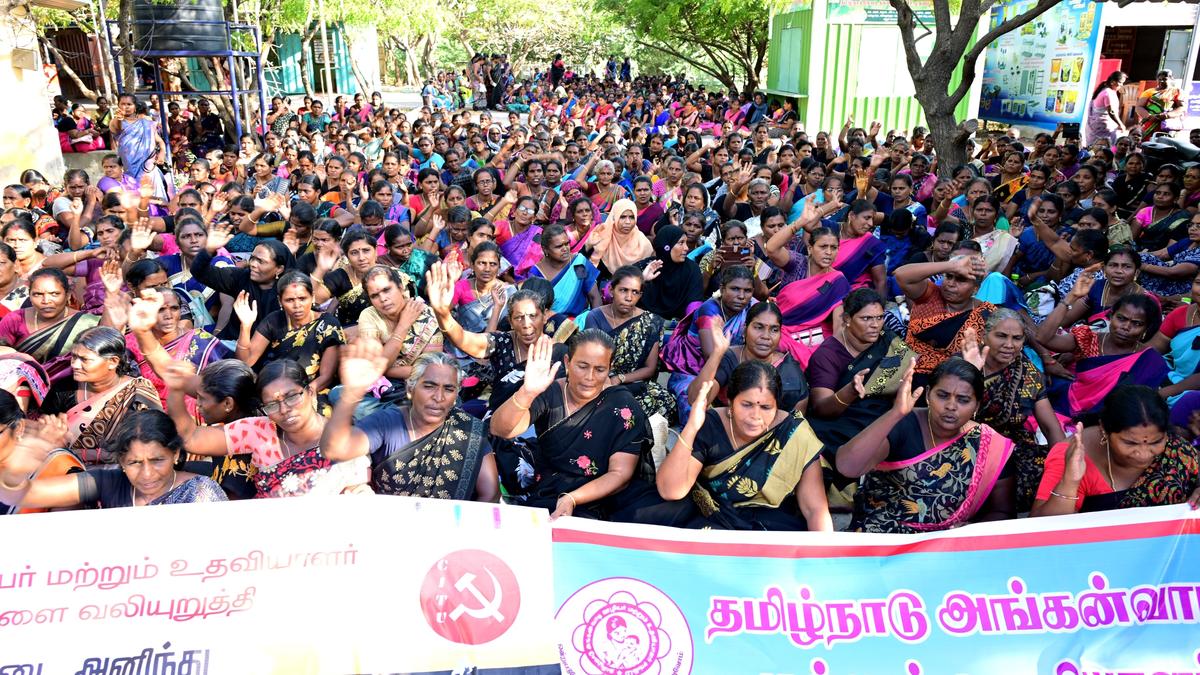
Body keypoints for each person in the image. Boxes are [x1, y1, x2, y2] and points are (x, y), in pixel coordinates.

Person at [490, 331, 683, 524]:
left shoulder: (623, 406)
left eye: (600, 369)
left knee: (676, 511)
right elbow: (501, 430)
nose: (590, 377)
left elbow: (620, 473)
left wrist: (574, 498)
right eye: (582, 366)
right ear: (567, 362)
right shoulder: (549, 392)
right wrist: (527, 392)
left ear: (610, 368)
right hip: (557, 488)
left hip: (610, 491)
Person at [837, 357, 1017, 532]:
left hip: (948, 546)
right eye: (943, 395)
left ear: (977, 405)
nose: (951, 406)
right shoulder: (903, 424)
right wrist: (894, 414)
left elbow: (1003, 511)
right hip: (883, 537)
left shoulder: (989, 444)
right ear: (929, 394)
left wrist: (967, 532)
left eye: (963, 400)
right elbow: (847, 467)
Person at [658, 360, 831, 530]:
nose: (755, 416)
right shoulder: (711, 423)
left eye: (765, 407)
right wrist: (692, 427)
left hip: (769, 524)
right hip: (714, 516)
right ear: (731, 402)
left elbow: (815, 509)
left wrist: (823, 557)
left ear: (777, 407)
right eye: (747, 405)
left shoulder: (793, 433)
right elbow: (671, 490)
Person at [166, 359, 369, 498]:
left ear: (310, 393)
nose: (284, 410)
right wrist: (175, 390)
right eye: (272, 404)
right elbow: (191, 438)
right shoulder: (260, 431)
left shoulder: (340, 438)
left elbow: (358, 492)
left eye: (292, 397)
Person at [321, 345, 499, 501]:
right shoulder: (388, 422)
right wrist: (352, 393)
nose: (439, 397)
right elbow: (335, 449)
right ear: (410, 389)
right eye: (429, 386)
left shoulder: (468, 431)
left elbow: (490, 493)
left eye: (449, 389)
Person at [0, 410, 226, 509]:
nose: (147, 474)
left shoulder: (201, 492)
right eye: (134, 463)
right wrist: (18, 469)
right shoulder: (107, 482)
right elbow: (17, 496)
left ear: (175, 454)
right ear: (121, 461)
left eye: (157, 460)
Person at [1032, 385, 1200, 515]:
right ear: (1105, 429)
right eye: (1130, 443)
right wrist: (1069, 482)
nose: (1143, 454)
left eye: (1155, 442)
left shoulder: (1177, 448)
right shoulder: (1073, 455)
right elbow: (1043, 532)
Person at [960, 314, 1065, 511]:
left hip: (1010, 447)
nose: (1009, 344)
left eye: (1017, 338)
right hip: (964, 441)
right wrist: (972, 373)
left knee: (1045, 470)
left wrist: (1064, 465)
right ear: (984, 335)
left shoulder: (1029, 373)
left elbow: (1051, 428)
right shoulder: (963, 365)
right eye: (1001, 336)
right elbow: (948, 417)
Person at [38, 326, 162, 465]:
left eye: (84, 359)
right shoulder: (63, 389)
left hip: (123, 473)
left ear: (113, 362)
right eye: (74, 357)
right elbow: (43, 430)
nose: (75, 365)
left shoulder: (138, 393)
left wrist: (69, 450)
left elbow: (152, 446)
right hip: (65, 467)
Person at [1037, 290, 1167, 419]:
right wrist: (1070, 298)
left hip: (1108, 421)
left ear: (1146, 328)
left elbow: (1137, 405)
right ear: (1111, 316)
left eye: (1137, 323)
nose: (1126, 327)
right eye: (1121, 319)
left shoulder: (1150, 361)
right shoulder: (1089, 339)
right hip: (1066, 406)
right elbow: (1043, 338)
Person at [574, 266, 674, 419]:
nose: (629, 297)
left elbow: (650, 368)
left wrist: (620, 379)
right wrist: (606, 380)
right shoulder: (595, 317)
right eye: (623, 290)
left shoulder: (651, 322)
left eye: (635, 292)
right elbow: (590, 360)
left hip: (632, 385)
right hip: (597, 382)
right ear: (611, 290)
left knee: (664, 401)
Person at [662, 266, 756, 418]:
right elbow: (710, 355)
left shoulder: (751, 308)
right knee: (697, 408)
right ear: (722, 288)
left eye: (747, 291)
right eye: (735, 289)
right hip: (693, 373)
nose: (741, 296)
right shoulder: (709, 311)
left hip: (729, 370)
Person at [234, 271, 345, 399]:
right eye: (289, 300)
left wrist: (299, 397)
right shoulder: (273, 321)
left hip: (311, 391)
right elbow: (245, 361)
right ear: (280, 301)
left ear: (313, 297)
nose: (297, 306)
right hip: (272, 389)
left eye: (302, 299)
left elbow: (326, 377)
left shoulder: (328, 325)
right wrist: (245, 327)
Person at [687, 302, 809, 412]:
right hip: (724, 429)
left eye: (774, 330)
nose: (766, 336)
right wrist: (717, 353)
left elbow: (794, 423)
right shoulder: (730, 358)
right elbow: (695, 400)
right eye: (758, 327)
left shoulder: (789, 371)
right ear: (745, 330)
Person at [125, 287, 229, 414]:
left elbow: (223, 384)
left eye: (174, 308)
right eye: (160, 310)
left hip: (199, 417)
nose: (168, 316)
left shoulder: (200, 340)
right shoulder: (132, 343)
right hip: (149, 418)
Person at [894, 253, 995, 380]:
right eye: (949, 276)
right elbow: (901, 275)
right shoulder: (930, 295)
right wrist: (952, 266)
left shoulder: (986, 312)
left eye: (961, 279)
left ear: (975, 289)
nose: (951, 284)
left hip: (953, 380)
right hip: (906, 372)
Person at [0, 268, 100, 383]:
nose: (46, 300)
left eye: (54, 294)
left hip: (68, 389)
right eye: (38, 294)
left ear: (67, 295)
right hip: (20, 386)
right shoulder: (15, 319)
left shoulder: (85, 322)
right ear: (30, 296)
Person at [527, 224, 601, 317]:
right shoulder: (537, 273)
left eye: (567, 243)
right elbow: (534, 309)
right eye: (559, 246)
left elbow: (594, 297)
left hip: (581, 323)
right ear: (545, 249)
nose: (565, 249)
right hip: (550, 325)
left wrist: (595, 324)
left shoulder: (578, 264)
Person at [637, 225, 703, 321]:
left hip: (677, 327)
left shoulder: (692, 270)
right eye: (681, 243)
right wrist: (641, 280)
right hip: (642, 323)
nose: (686, 248)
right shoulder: (647, 266)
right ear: (666, 246)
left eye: (686, 243)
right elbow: (613, 290)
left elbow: (694, 305)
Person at [587, 198, 652, 275]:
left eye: (631, 217)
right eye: (622, 217)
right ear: (615, 217)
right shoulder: (601, 236)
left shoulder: (642, 242)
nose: (627, 222)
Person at [1136, 69, 1185, 137]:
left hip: (1167, 124)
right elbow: (1139, 107)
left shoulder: (1176, 91)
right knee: (1147, 143)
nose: (1161, 81)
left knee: (1165, 144)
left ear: (1171, 79)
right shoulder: (1149, 92)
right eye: (1159, 79)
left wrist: (1167, 115)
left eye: (1164, 79)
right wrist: (1149, 116)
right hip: (1150, 122)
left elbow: (1181, 107)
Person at [1088, 71, 1127, 147]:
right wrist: (1121, 124)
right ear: (1113, 82)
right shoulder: (1107, 93)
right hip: (1102, 127)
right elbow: (1111, 112)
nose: (1122, 85)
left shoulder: (1107, 90)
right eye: (1120, 83)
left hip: (1098, 125)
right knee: (1105, 146)